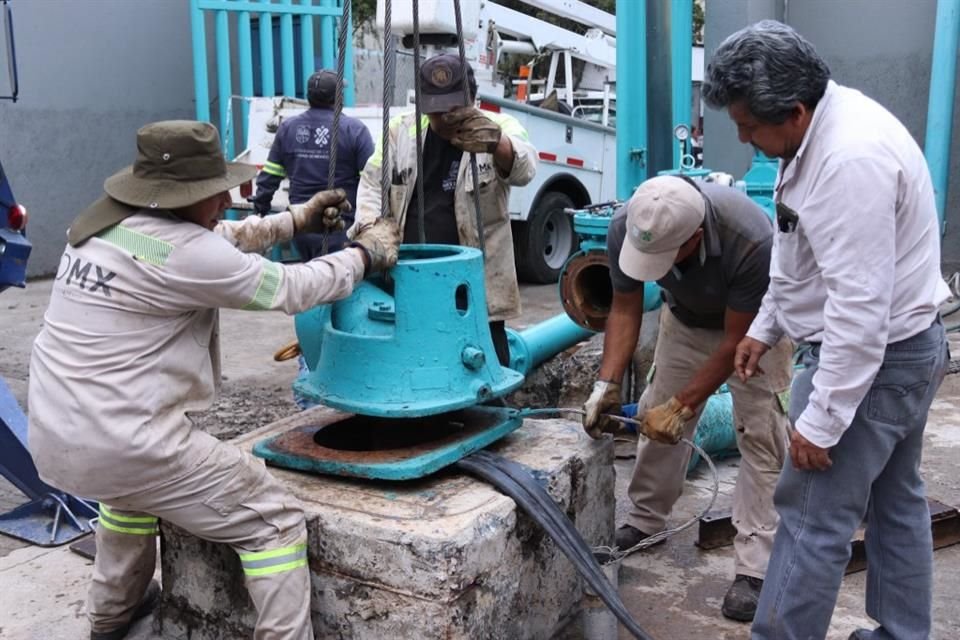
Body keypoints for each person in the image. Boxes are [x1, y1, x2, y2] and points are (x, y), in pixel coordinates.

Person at [27, 120, 399, 640]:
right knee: (274, 521)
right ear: (180, 196)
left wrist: (298, 220)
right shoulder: (187, 254)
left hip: (58, 430)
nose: (226, 198)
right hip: (128, 440)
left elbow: (224, 239)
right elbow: (292, 288)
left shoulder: (103, 228)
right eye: (213, 190)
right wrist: (363, 254)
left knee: (127, 502)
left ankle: (108, 623)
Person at [702, 20, 950, 640]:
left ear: (794, 109)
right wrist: (765, 326)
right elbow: (801, 255)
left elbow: (859, 312)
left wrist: (823, 417)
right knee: (896, 503)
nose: (745, 140)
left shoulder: (848, 161)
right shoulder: (823, 128)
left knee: (811, 518)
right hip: (908, 349)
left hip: (878, 361)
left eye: (750, 127)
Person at [581, 174, 794, 622]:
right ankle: (645, 520)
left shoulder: (749, 239)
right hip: (686, 322)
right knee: (652, 413)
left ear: (694, 238)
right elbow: (624, 306)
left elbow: (737, 341)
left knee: (759, 434)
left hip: (756, 329)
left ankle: (755, 566)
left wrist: (684, 406)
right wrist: (608, 383)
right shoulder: (632, 222)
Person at [349, 53, 537, 365]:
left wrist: (497, 144)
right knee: (419, 363)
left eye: (454, 110)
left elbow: (525, 170)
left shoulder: (501, 126)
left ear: (472, 99)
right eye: (436, 112)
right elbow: (371, 183)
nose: (446, 120)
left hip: (475, 285)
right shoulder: (400, 131)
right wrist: (370, 230)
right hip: (412, 279)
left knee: (487, 364)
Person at [251, 69, 374, 259]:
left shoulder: (288, 128)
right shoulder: (354, 130)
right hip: (341, 229)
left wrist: (259, 211)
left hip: (301, 230)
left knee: (312, 278)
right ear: (338, 97)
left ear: (309, 97)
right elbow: (372, 181)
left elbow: (270, 176)